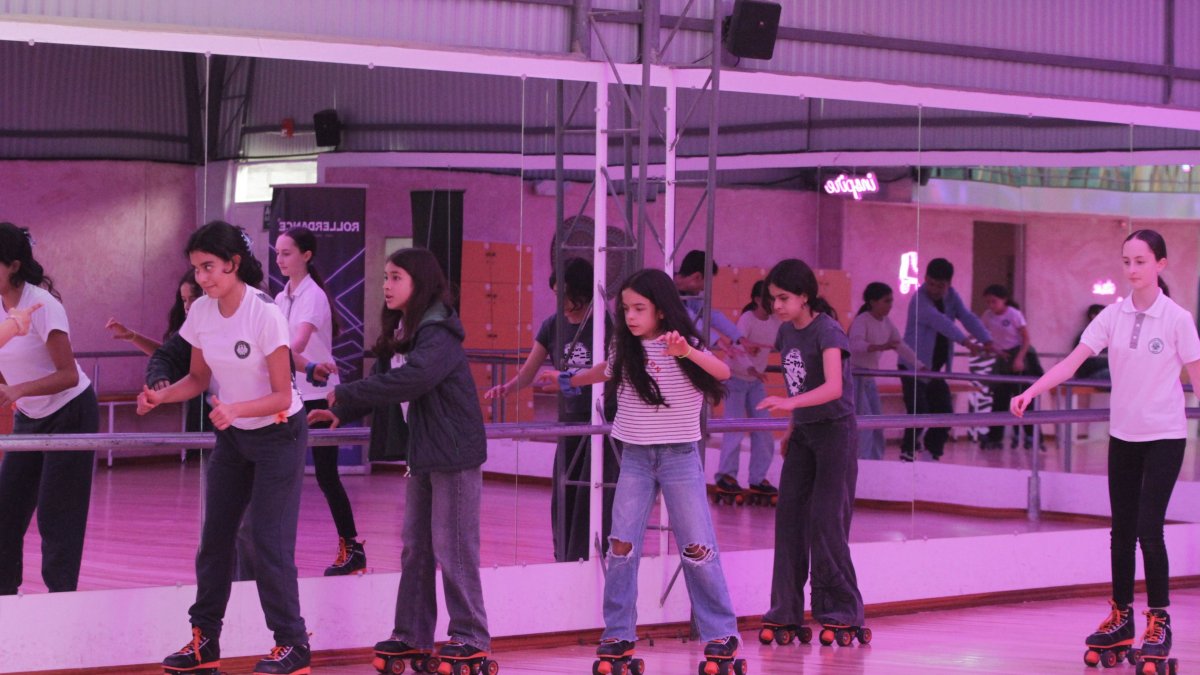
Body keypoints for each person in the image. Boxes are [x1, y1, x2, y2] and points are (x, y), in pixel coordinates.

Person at [1011, 229, 1198, 672]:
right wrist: (1032, 390)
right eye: (1127, 261)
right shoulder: (1112, 316)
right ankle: (1121, 617)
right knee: (1121, 531)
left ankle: (1159, 620)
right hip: (1124, 437)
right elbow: (1073, 361)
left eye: (1141, 261)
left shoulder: (1177, 319)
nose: (1132, 269)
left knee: (1149, 529)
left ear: (1161, 265)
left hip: (1165, 437)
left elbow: (1196, 374)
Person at [138, 221, 311, 675]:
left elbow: (281, 393)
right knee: (215, 540)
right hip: (235, 438)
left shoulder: (264, 313)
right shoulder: (201, 313)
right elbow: (196, 379)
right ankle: (204, 641)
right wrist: (160, 395)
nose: (202, 278)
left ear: (234, 264)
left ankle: (293, 645)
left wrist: (234, 410)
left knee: (267, 541)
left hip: (279, 434)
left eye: (210, 267)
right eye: (196, 269)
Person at [311, 248, 494, 673]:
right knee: (416, 547)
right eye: (385, 277)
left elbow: (414, 378)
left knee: (455, 548)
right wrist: (344, 409)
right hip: (425, 452)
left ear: (419, 283)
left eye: (395, 278)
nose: (386, 285)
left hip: (454, 454)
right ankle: (411, 633)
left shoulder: (440, 332)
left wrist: (350, 395)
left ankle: (470, 635)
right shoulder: (405, 329)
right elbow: (386, 380)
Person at [565, 268, 746, 674]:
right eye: (626, 308)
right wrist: (570, 379)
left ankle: (720, 632)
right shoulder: (623, 348)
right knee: (621, 547)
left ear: (661, 311)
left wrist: (686, 353)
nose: (630, 316)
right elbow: (605, 371)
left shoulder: (684, 344)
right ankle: (618, 632)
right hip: (635, 457)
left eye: (639, 309)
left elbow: (722, 372)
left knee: (697, 547)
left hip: (680, 456)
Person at [755, 258, 868, 649]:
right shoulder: (786, 334)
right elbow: (797, 383)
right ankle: (784, 610)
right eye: (772, 300)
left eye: (784, 298)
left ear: (805, 296)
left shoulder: (829, 331)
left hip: (836, 432)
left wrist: (789, 405)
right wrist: (791, 427)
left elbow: (834, 387)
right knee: (788, 518)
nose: (777, 307)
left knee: (826, 520)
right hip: (804, 433)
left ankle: (841, 610)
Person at [485, 257, 614, 562]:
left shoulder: (607, 325)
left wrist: (568, 380)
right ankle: (565, 558)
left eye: (567, 295)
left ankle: (596, 556)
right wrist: (510, 386)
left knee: (593, 496)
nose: (563, 303)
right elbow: (530, 371)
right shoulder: (552, 325)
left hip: (602, 424)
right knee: (564, 498)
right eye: (557, 295)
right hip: (568, 424)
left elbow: (613, 373)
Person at [0, 221, 97, 596]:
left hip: (70, 411)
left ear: (13, 265)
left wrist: (18, 389)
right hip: (30, 415)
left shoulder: (42, 305)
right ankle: (5, 598)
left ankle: (62, 601)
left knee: (58, 516)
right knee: (6, 511)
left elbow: (68, 375)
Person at [274, 226, 365, 576]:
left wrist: (267, 360)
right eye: (279, 253)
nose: (280, 260)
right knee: (281, 471)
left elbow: (293, 346)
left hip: (320, 396)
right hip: (292, 394)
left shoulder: (313, 295)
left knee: (327, 476)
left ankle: (352, 547)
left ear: (306, 255)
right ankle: (278, 554)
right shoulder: (281, 297)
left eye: (287, 253)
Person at [899, 258, 994, 461]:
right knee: (919, 410)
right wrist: (967, 342)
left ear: (948, 284)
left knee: (945, 411)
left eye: (940, 285)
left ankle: (932, 453)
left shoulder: (951, 296)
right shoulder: (920, 300)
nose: (934, 289)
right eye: (930, 283)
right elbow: (940, 322)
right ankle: (907, 452)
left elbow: (967, 317)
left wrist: (987, 340)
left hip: (933, 370)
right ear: (925, 279)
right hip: (913, 366)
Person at [714, 280, 781, 499]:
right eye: (770, 298)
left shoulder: (775, 321)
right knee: (734, 428)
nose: (774, 302)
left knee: (764, 429)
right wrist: (752, 369)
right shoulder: (747, 319)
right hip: (735, 378)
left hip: (755, 383)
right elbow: (737, 349)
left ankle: (757, 477)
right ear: (757, 300)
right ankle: (726, 475)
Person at [848, 282, 922, 460]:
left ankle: (876, 461)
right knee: (865, 424)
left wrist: (920, 366)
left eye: (891, 301)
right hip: (855, 377)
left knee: (878, 422)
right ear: (873, 302)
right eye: (886, 301)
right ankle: (863, 463)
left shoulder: (887, 323)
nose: (890, 305)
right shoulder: (862, 320)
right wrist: (880, 346)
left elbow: (900, 345)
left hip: (869, 379)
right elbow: (854, 345)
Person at [979, 284, 1043, 450]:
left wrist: (1020, 359)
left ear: (1004, 300)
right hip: (1002, 358)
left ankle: (1032, 436)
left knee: (1023, 400)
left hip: (1018, 356)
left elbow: (1026, 339)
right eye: (988, 302)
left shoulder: (1014, 315)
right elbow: (983, 334)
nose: (991, 306)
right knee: (999, 399)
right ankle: (995, 436)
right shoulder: (987, 316)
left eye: (994, 302)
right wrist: (989, 347)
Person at [673, 249, 743, 351]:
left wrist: (739, 338)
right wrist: (717, 341)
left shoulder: (690, 295)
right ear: (697, 277)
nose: (704, 289)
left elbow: (709, 314)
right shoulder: (665, 287)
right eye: (706, 282)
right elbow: (689, 318)